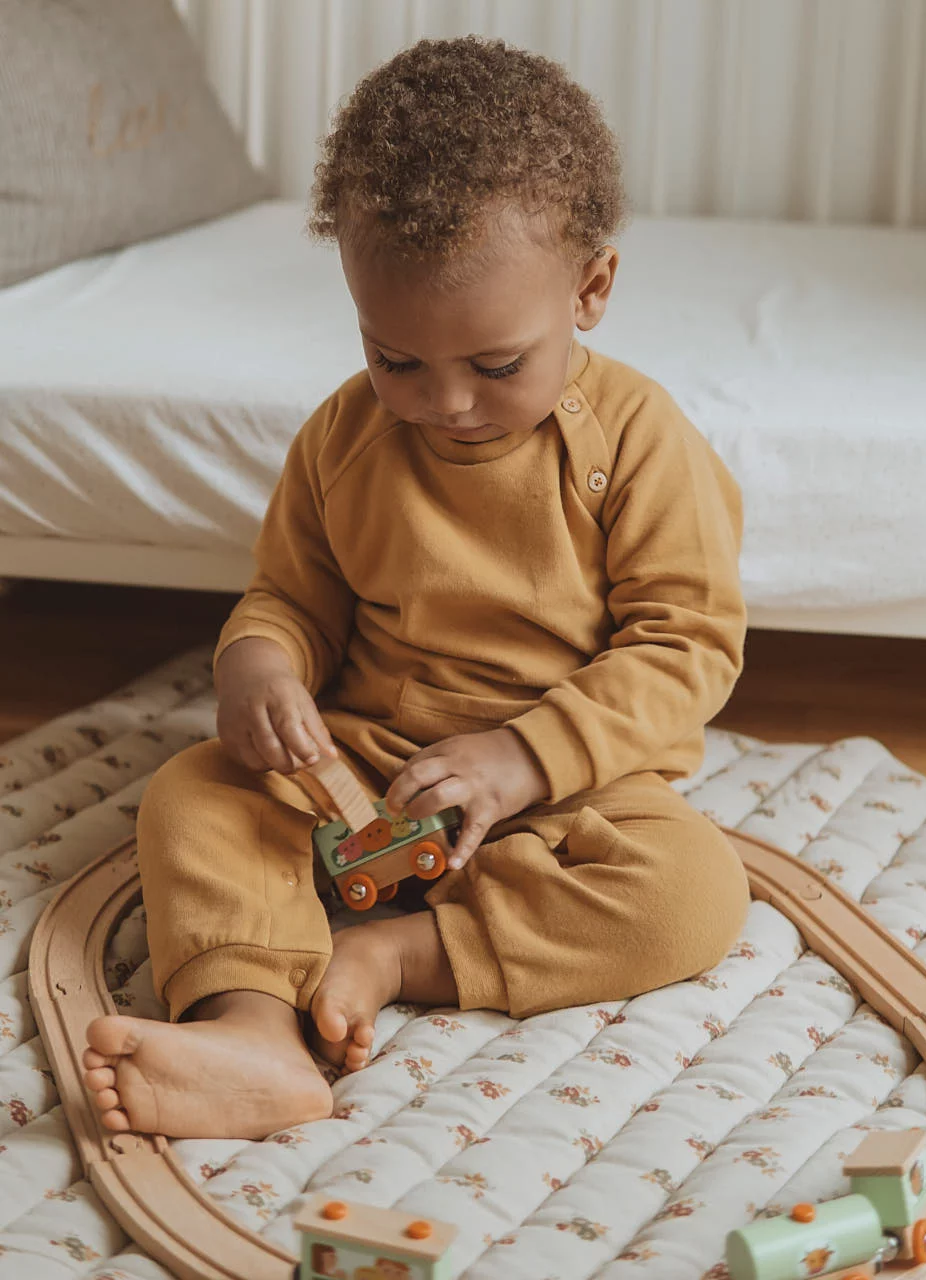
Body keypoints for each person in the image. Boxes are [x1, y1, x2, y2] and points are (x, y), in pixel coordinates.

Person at [81, 36, 750, 1141]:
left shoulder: (636, 441)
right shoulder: (344, 440)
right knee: (191, 796)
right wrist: (259, 664)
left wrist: (524, 756)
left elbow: (687, 644)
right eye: (395, 360)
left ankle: (403, 951)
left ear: (590, 290)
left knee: (692, 892)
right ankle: (251, 1030)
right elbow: (291, 595)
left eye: (496, 365)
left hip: (558, 790)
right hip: (369, 764)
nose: (446, 402)